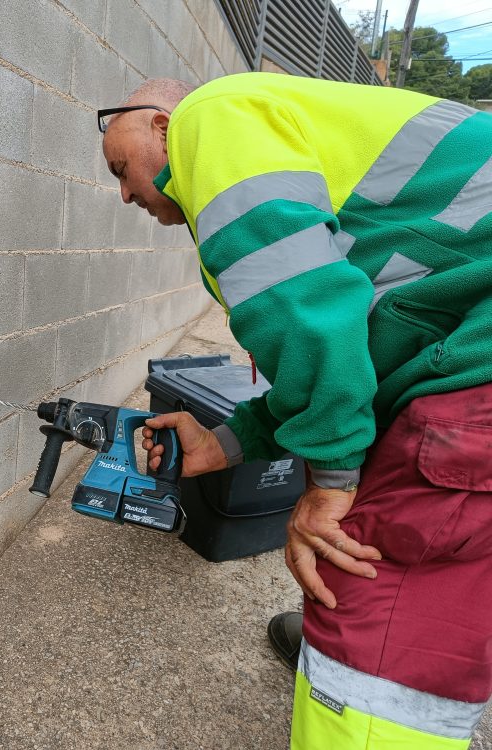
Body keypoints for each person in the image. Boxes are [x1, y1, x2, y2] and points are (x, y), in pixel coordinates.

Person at [100, 73, 492, 749]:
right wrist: (230, 440)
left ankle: (356, 705)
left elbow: (307, 315)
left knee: (368, 600)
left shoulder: (213, 115)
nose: (125, 191)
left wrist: (330, 485)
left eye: (120, 165)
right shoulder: (300, 145)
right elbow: (362, 346)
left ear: (162, 124)